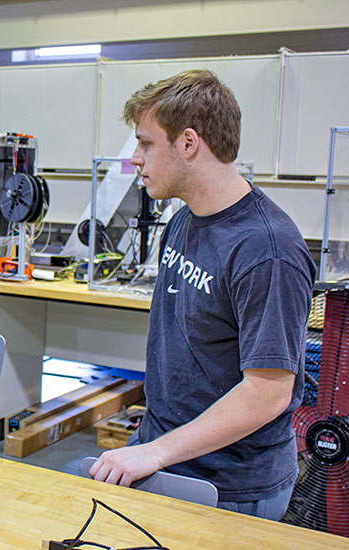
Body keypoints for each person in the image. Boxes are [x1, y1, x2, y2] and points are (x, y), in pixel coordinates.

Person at [88, 70, 315, 521]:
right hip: (165, 450)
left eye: (146, 143)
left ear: (188, 142)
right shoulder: (183, 221)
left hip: (230, 483)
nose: (135, 158)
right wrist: (152, 446)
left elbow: (268, 392)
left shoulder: (267, 251)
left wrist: (156, 452)